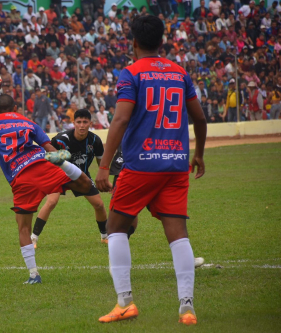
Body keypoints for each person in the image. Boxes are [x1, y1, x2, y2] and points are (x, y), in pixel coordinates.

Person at [95, 16, 207, 325]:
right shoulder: (180, 73)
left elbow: (119, 120)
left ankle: (125, 303)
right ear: (161, 41)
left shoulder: (131, 73)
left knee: (115, 228)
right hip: (175, 165)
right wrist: (197, 154)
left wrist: (104, 165)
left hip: (141, 165)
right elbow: (199, 118)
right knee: (178, 235)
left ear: (133, 42)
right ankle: (187, 308)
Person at [0, 94, 92, 284]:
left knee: (23, 227)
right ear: (15, 107)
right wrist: (58, 157)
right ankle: (66, 167)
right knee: (86, 184)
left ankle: (34, 275)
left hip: (20, 176)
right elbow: (48, 147)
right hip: (42, 163)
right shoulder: (26, 120)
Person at [31, 109, 107, 247]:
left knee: (99, 204)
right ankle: (33, 238)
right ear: (74, 123)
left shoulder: (95, 140)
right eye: (79, 122)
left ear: (90, 123)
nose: (82, 125)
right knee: (51, 202)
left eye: (85, 122)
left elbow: (101, 164)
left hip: (81, 177)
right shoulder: (61, 139)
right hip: (59, 175)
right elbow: (47, 157)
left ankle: (105, 236)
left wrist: (104, 177)